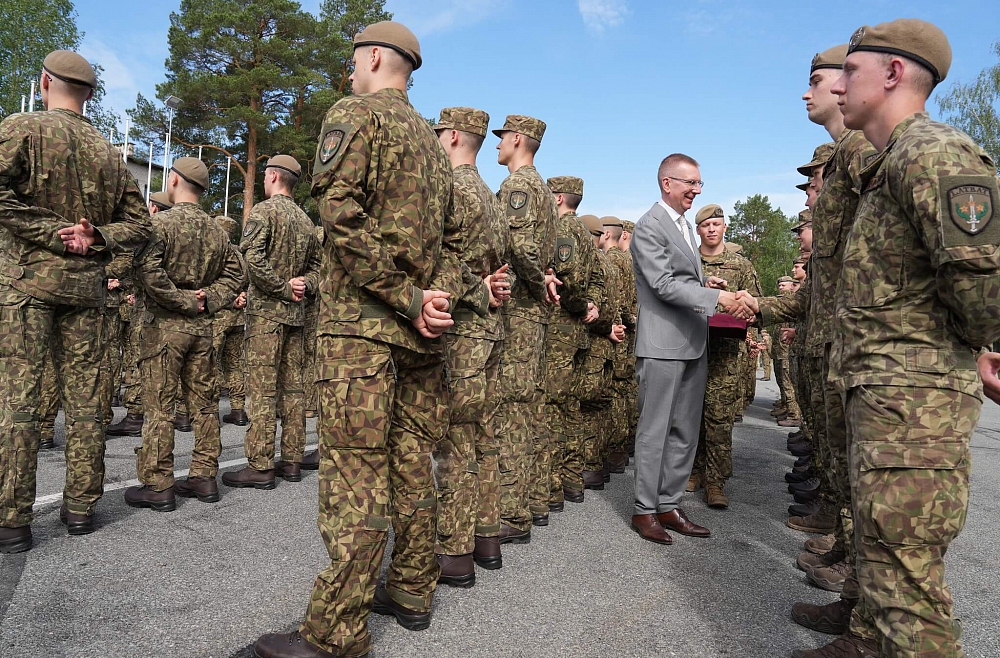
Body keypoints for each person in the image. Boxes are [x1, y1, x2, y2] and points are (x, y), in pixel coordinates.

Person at [252, 22, 464, 658]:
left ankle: (337, 630)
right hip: (421, 336)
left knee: (354, 472)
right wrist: (435, 299)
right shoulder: (432, 146)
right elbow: (459, 245)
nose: (349, 72)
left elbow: (338, 216)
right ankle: (411, 586)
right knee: (410, 461)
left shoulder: (355, 114)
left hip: (362, 331)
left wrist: (404, 297)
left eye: (353, 61)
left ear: (374, 57)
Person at [797, 19, 1000, 658]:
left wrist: (985, 343)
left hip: (915, 398)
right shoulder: (890, 161)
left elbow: (982, 271)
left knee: (910, 590)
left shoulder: (932, 152)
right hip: (887, 391)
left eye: (851, 69)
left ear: (892, 74)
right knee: (887, 565)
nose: (838, 82)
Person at [0, 51, 151, 551]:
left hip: (26, 284)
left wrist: (52, 234)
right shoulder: (109, 153)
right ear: (88, 96)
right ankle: (81, 508)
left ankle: (13, 519)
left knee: (18, 400)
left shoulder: (20, 128)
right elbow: (141, 226)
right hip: (86, 292)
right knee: (87, 401)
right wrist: (96, 237)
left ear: (44, 82)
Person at [628, 153, 744, 545]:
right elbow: (661, 284)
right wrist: (718, 302)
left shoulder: (682, 227)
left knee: (683, 431)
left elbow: (680, 278)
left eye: (699, 184)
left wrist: (705, 286)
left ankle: (669, 504)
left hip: (692, 341)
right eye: (690, 183)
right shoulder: (650, 225)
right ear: (667, 183)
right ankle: (645, 510)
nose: (696, 190)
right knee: (655, 430)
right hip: (662, 343)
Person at [124, 157, 245, 512]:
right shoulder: (215, 232)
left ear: (174, 181)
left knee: (160, 407)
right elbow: (237, 276)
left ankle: (158, 484)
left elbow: (146, 268)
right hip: (202, 329)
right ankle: (204, 475)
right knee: (204, 404)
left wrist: (181, 301)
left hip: (164, 327)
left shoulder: (159, 224)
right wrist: (208, 299)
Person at [432, 107, 510, 586]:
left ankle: (454, 550)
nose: (437, 141)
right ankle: (486, 536)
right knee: (483, 438)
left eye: (440, 134)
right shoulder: (488, 195)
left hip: (461, 329)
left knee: (454, 440)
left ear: (454, 135)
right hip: (490, 331)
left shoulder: (453, 188)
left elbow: (438, 258)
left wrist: (474, 289)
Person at [223, 155, 321, 490]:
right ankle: (292, 459)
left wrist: (280, 287)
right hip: (295, 316)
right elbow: (320, 269)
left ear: (274, 176)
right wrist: (303, 284)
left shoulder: (263, 212)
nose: (262, 180)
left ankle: (261, 464)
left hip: (267, 315)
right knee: (293, 389)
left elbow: (251, 259)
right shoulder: (307, 222)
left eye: (265, 175)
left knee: (263, 391)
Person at [493, 114, 559, 545]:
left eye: (502, 139)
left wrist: (538, 279)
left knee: (512, 409)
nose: (497, 146)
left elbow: (519, 245)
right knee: (527, 405)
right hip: (529, 311)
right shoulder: (544, 190)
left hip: (518, 308)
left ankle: (511, 511)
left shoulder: (519, 186)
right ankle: (528, 500)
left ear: (518, 140)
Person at [689, 204, 760, 509]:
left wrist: (739, 308)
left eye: (717, 224)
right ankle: (694, 470)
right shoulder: (689, 262)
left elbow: (755, 306)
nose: (712, 229)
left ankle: (716, 481)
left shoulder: (740, 265)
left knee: (718, 419)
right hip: (691, 348)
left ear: (725, 227)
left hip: (726, 355)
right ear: (698, 231)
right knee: (690, 416)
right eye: (706, 225)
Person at [538, 179, 600, 519]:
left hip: (561, 328)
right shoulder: (586, 237)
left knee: (553, 409)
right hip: (575, 333)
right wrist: (593, 306)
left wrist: (578, 306)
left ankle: (551, 486)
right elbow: (596, 281)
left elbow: (568, 281)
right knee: (570, 408)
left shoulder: (563, 228)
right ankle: (571, 480)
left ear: (559, 197)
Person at [108, 191, 177, 438]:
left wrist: (106, 273)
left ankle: (136, 415)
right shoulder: (179, 232)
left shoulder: (152, 231)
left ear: (155, 209)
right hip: (174, 310)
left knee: (138, 358)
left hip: (147, 306)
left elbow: (134, 265)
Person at [213, 214, 249, 427]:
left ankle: (210, 411)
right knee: (234, 365)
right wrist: (242, 296)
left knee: (211, 364)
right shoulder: (240, 254)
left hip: (218, 316)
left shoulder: (214, 252)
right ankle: (238, 409)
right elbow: (249, 281)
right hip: (237, 318)